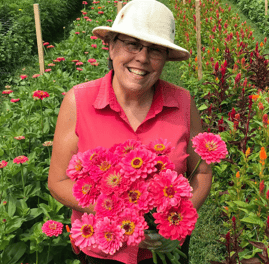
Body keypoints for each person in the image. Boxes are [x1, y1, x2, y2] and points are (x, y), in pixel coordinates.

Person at [48, 0, 212, 263]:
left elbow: (202, 172)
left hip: (166, 250)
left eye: (156, 50)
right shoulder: (78, 101)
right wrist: (118, 212)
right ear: (111, 47)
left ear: (166, 59)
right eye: (132, 44)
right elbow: (57, 183)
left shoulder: (183, 103)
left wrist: (174, 222)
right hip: (104, 250)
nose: (143, 58)